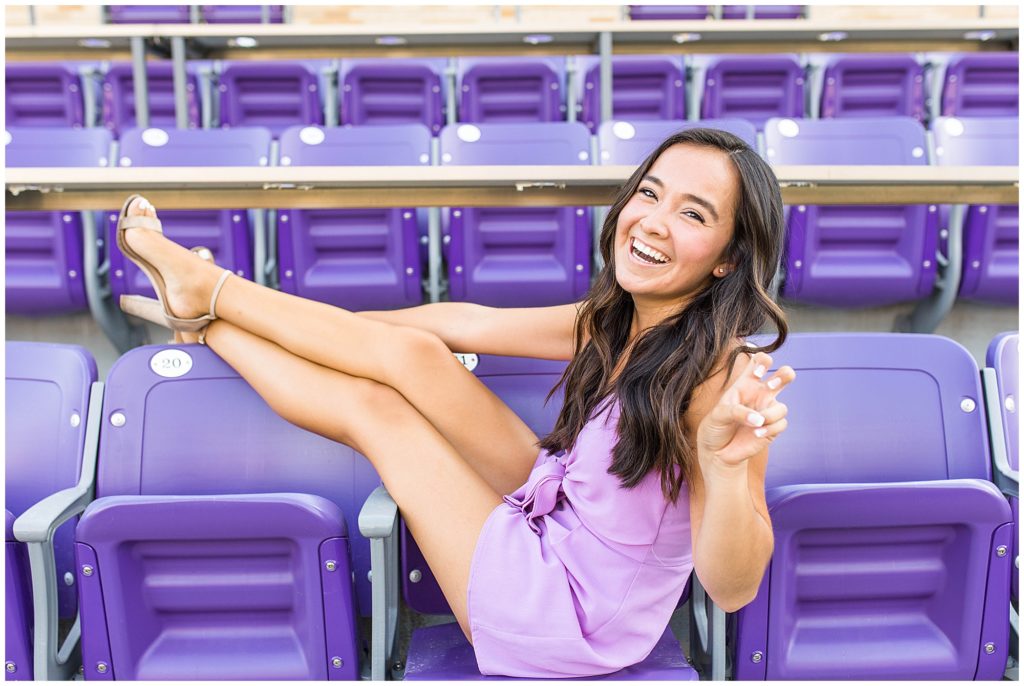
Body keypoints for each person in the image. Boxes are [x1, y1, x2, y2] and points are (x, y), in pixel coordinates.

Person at [115, 127, 795, 678]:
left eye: (693, 213)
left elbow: (732, 587)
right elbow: (465, 322)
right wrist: (319, 330)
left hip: (565, 619)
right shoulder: (621, 321)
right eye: (650, 193)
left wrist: (726, 467)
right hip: (556, 525)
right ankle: (205, 310)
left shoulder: (721, 381)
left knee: (379, 414)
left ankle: (205, 298)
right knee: (414, 357)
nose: (653, 221)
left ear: (728, 259)